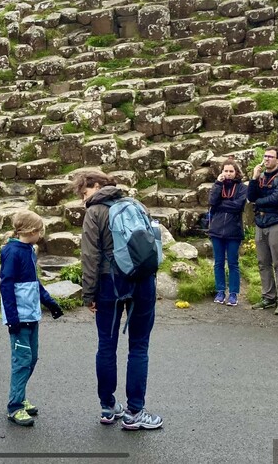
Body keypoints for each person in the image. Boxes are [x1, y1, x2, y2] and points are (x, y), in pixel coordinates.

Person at [73, 170, 163, 431]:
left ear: (97, 184)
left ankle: (108, 406)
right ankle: (135, 411)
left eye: (84, 192)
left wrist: (88, 294)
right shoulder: (136, 204)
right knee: (138, 347)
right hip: (143, 281)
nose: (83, 199)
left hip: (109, 283)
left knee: (106, 346)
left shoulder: (94, 213)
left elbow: (90, 256)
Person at [0, 210, 63, 427]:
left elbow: (34, 284)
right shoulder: (11, 252)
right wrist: (11, 318)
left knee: (32, 358)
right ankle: (14, 406)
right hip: (19, 318)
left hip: (32, 314)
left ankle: (20, 394)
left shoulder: (29, 251)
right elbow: (6, 285)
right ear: (32, 231)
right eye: (41, 231)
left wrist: (50, 303)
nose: (42, 236)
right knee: (22, 361)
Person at [247, 146, 278, 316]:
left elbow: (277, 199)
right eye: (265, 156)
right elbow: (251, 197)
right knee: (263, 263)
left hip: (277, 224)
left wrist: (259, 202)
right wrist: (253, 178)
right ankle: (268, 297)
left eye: (270, 156)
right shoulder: (260, 176)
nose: (266, 159)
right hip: (261, 223)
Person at [208, 159, 248, 307]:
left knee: (232, 263)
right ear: (222, 172)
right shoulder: (218, 186)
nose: (228, 174)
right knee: (218, 263)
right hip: (217, 230)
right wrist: (218, 184)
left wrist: (221, 204)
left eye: (231, 171)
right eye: (226, 171)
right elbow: (212, 201)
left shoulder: (242, 188)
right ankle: (220, 291)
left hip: (234, 231)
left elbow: (238, 206)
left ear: (236, 172)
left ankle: (233, 293)